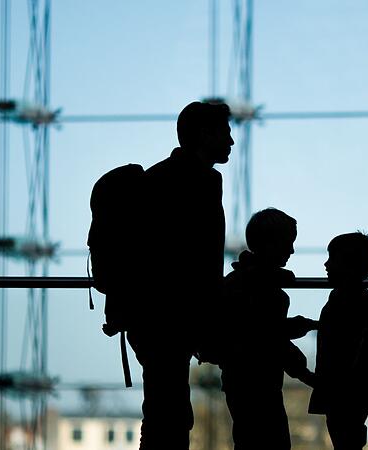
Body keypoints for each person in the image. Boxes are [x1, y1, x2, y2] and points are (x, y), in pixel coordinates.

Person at [128, 101, 232, 450]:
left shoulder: (156, 177)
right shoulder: (202, 181)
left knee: (163, 410)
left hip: (149, 315)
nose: (231, 141)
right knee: (169, 415)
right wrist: (209, 321)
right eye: (225, 133)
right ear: (205, 134)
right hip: (173, 318)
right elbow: (202, 259)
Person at [219, 208, 318, 450]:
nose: (291, 250)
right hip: (259, 383)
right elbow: (269, 338)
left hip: (239, 379)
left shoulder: (239, 282)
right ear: (271, 244)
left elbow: (259, 331)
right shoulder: (267, 291)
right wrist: (305, 373)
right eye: (287, 243)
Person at [309, 232, 368, 450]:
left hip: (344, 389)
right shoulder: (359, 303)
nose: (326, 264)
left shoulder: (345, 302)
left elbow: (345, 349)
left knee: (343, 434)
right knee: (348, 434)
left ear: (348, 265)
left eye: (332, 258)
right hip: (354, 389)